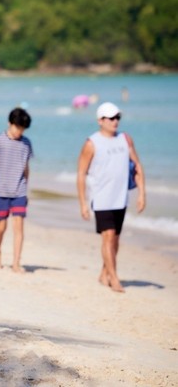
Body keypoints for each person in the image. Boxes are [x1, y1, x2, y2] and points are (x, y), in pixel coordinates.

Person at [77, 102, 145, 293]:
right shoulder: (91, 143)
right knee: (107, 237)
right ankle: (114, 278)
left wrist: (142, 194)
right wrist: (83, 203)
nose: (115, 121)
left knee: (115, 239)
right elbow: (81, 174)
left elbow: (137, 166)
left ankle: (104, 272)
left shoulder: (125, 139)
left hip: (121, 198)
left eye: (117, 118)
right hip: (101, 199)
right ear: (100, 120)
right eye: (111, 118)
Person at [0, 108, 33, 273]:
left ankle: (16, 263)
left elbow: (26, 167)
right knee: (1, 227)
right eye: (17, 127)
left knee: (19, 227)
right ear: (9, 123)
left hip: (19, 190)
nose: (20, 131)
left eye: (23, 128)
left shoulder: (26, 143)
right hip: (0, 190)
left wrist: (26, 190)